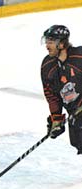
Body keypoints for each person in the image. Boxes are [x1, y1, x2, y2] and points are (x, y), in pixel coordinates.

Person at [41, 25, 82, 154]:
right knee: (78, 141)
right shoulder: (47, 66)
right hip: (75, 115)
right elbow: (51, 95)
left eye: (51, 42)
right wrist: (56, 117)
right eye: (46, 41)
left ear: (62, 44)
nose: (47, 45)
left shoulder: (79, 57)